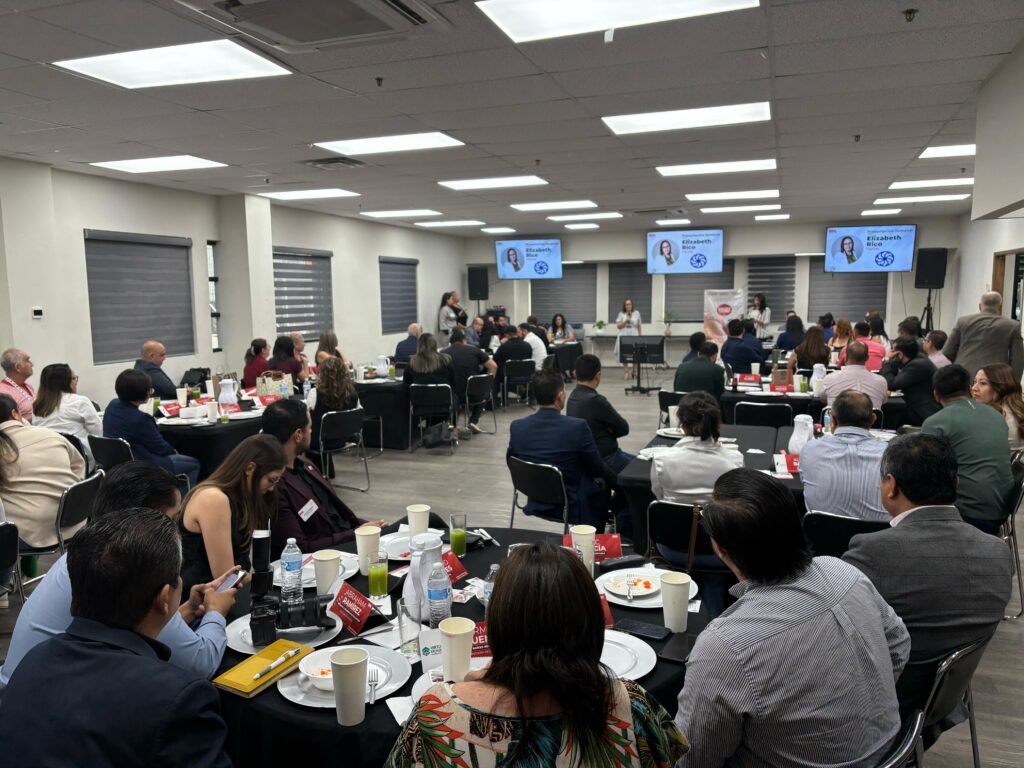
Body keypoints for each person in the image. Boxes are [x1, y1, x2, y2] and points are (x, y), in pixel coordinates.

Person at [675, 468, 910, 768]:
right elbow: (899, 643)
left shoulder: (724, 648)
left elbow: (693, 760)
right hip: (892, 754)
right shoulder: (845, 573)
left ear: (720, 549)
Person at [386, 541, 688, 768]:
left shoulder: (437, 713)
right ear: (590, 625)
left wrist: (481, 681)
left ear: (499, 624)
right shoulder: (630, 705)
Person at [0, 508, 232, 767]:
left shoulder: (32, 661)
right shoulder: (177, 699)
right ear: (165, 597)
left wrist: (186, 610)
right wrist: (214, 613)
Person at [0, 462, 236, 692]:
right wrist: (216, 611)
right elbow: (200, 664)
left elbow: (136, 634)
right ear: (145, 524)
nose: (176, 534)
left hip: (26, 690)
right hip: (46, 702)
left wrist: (185, 611)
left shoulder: (86, 554)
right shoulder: (131, 572)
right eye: (171, 521)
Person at [843, 433, 1012, 666]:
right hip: (953, 685)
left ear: (891, 485)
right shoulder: (999, 553)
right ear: (956, 483)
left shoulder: (870, 553)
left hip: (888, 683)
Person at [262, 399, 384, 553]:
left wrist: (366, 527)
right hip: (326, 555)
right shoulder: (274, 486)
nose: (311, 432)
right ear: (298, 435)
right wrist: (355, 534)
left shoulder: (306, 465)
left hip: (347, 538)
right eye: (309, 428)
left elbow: (335, 514)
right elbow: (298, 549)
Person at [178, 435, 286, 598]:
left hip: (226, 592)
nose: (271, 488)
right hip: (200, 599)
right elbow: (225, 576)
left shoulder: (239, 498)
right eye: (271, 480)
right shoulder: (213, 499)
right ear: (250, 468)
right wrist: (275, 580)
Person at [507, 369, 608, 528]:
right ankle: (593, 537)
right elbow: (597, 469)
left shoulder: (517, 427)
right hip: (570, 503)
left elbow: (512, 462)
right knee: (604, 483)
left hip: (535, 497)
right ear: (560, 395)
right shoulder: (577, 427)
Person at [922, 365, 1014, 534]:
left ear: (936, 395)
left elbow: (926, 470)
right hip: (1002, 509)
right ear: (969, 389)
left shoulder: (936, 422)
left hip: (965, 513)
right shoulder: (997, 416)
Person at [0, 393, 86, 548]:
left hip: (32, 532)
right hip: (77, 519)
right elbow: (79, 465)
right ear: (14, 414)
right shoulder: (49, 434)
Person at [102, 369, 200, 487]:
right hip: (142, 465)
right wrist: (174, 451)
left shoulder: (112, 405)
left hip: (116, 465)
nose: (151, 392)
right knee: (193, 464)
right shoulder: (141, 419)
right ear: (142, 393)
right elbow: (161, 448)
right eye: (150, 390)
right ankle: (181, 498)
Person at [800, 391, 888, 520]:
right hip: (879, 532)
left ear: (832, 420)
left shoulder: (810, 449)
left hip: (822, 532)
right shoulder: (890, 455)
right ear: (873, 419)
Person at [567, 354, 632, 471]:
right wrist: (609, 431)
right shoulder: (596, 400)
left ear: (575, 374)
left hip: (585, 458)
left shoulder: (572, 398)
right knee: (647, 469)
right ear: (598, 375)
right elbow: (623, 428)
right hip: (606, 459)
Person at [31, 363, 102, 462]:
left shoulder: (37, 405)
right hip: (81, 459)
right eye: (73, 378)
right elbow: (98, 433)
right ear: (64, 382)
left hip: (48, 459)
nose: (76, 382)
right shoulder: (80, 401)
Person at [944, 291, 1024, 379]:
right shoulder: (1012, 326)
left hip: (962, 375)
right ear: (999, 307)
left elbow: (947, 352)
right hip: (994, 377)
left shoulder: (963, 321)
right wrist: (1014, 382)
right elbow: (1018, 360)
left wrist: (947, 375)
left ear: (979, 306)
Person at [307, 356, 360, 466]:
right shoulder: (353, 394)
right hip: (345, 438)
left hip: (318, 442)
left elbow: (306, 417)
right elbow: (359, 412)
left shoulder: (315, 393)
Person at [880, 336, 940, 426]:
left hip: (922, 410)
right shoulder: (917, 357)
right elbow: (893, 368)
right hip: (918, 406)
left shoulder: (917, 365)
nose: (890, 353)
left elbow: (891, 384)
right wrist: (891, 362)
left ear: (900, 354)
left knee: (889, 415)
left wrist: (886, 360)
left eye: (892, 351)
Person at [447, 328, 496, 434]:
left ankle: (452, 425)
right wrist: (487, 383)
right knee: (485, 392)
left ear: (450, 342)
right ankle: (473, 421)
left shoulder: (443, 353)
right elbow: (493, 366)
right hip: (474, 394)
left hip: (451, 396)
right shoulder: (475, 350)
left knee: (452, 395)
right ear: (464, 340)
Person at [820, 341, 888, 409]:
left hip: (838, 415)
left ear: (846, 357)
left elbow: (822, 399)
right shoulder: (881, 382)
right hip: (869, 416)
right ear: (867, 358)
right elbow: (884, 401)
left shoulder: (829, 379)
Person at [972, 363, 1024, 450]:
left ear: (1000, 387)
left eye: (983, 383)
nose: (974, 388)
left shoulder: (995, 416)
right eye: (974, 382)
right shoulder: (1016, 408)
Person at [492, 326, 533, 406]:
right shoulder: (527, 345)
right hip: (526, 375)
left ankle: (499, 400)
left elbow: (494, 359)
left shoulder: (504, 346)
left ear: (507, 335)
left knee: (496, 374)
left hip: (508, 376)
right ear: (516, 333)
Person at [0, 347, 35, 421]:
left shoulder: (28, 385)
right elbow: (10, 422)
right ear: (18, 367)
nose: (32, 364)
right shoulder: (3, 392)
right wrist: (40, 417)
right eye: (27, 360)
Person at [615, 297, 642, 380]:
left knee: (635, 353)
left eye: (629, 304)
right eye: (626, 304)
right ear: (624, 306)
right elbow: (618, 326)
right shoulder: (621, 314)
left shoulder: (637, 313)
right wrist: (625, 321)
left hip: (634, 334)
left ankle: (634, 371)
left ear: (632, 305)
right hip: (624, 334)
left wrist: (640, 335)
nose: (628, 306)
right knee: (624, 353)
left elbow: (639, 325)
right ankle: (626, 371)